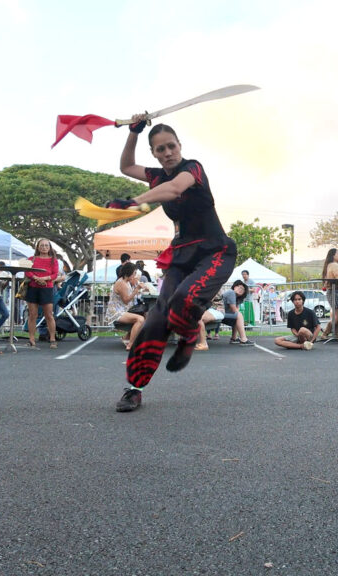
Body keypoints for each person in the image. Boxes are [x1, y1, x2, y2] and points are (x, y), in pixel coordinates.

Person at [109, 117, 238, 412]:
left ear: (179, 146)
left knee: (184, 298)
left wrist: (134, 201)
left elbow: (175, 190)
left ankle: (189, 332)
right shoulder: (156, 176)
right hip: (181, 256)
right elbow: (126, 167)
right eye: (160, 149)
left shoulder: (192, 168)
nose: (167, 152)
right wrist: (133, 132)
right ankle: (134, 388)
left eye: (171, 146)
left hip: (214, 251)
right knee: (155, 321)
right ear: (154, 153)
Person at [25, 238, 63, 349]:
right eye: (42, 245)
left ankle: (52, 339)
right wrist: (36, 278)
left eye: (46, 245)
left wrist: (45, 278)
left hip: (47, 288)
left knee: (49, 315)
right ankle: (31, 339)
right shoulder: (31, 259)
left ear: (50, 247)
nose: (44, 247)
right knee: (32, 315)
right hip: (33, 288)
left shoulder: (53, 260)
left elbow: (55, 274)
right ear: (37, 247)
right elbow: (27, 271)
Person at [106, 261, 148, 350]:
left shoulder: (126, 282)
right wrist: (137, 289)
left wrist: (139, 289)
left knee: (144, 314)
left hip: (123, 309)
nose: (135, 275)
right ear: (128, 273)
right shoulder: (121, 283)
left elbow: (130, 297)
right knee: (140, 319)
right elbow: (126, 300)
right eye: (134, 273)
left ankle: (126, 338)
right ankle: (130, 344)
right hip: (116, 312)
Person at [320, 248, 338, 339]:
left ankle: (337, 335)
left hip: (332, 291)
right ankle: (325, 332)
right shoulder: (334, 265)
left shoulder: (328, 265)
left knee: (337, 314)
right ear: (333, 256)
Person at [221, 280, 252, 345]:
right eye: (239, 287)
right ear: (234, 287)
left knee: (238, 316)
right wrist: (240, 316)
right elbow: (234, 310)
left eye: (243, 290)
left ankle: (234, 338)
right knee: (239, 315)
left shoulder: (236, 297)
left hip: (221, 313)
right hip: (218, 313)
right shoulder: (231, 292)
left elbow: (235, 310)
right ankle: (243, 339)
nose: (240, 290)